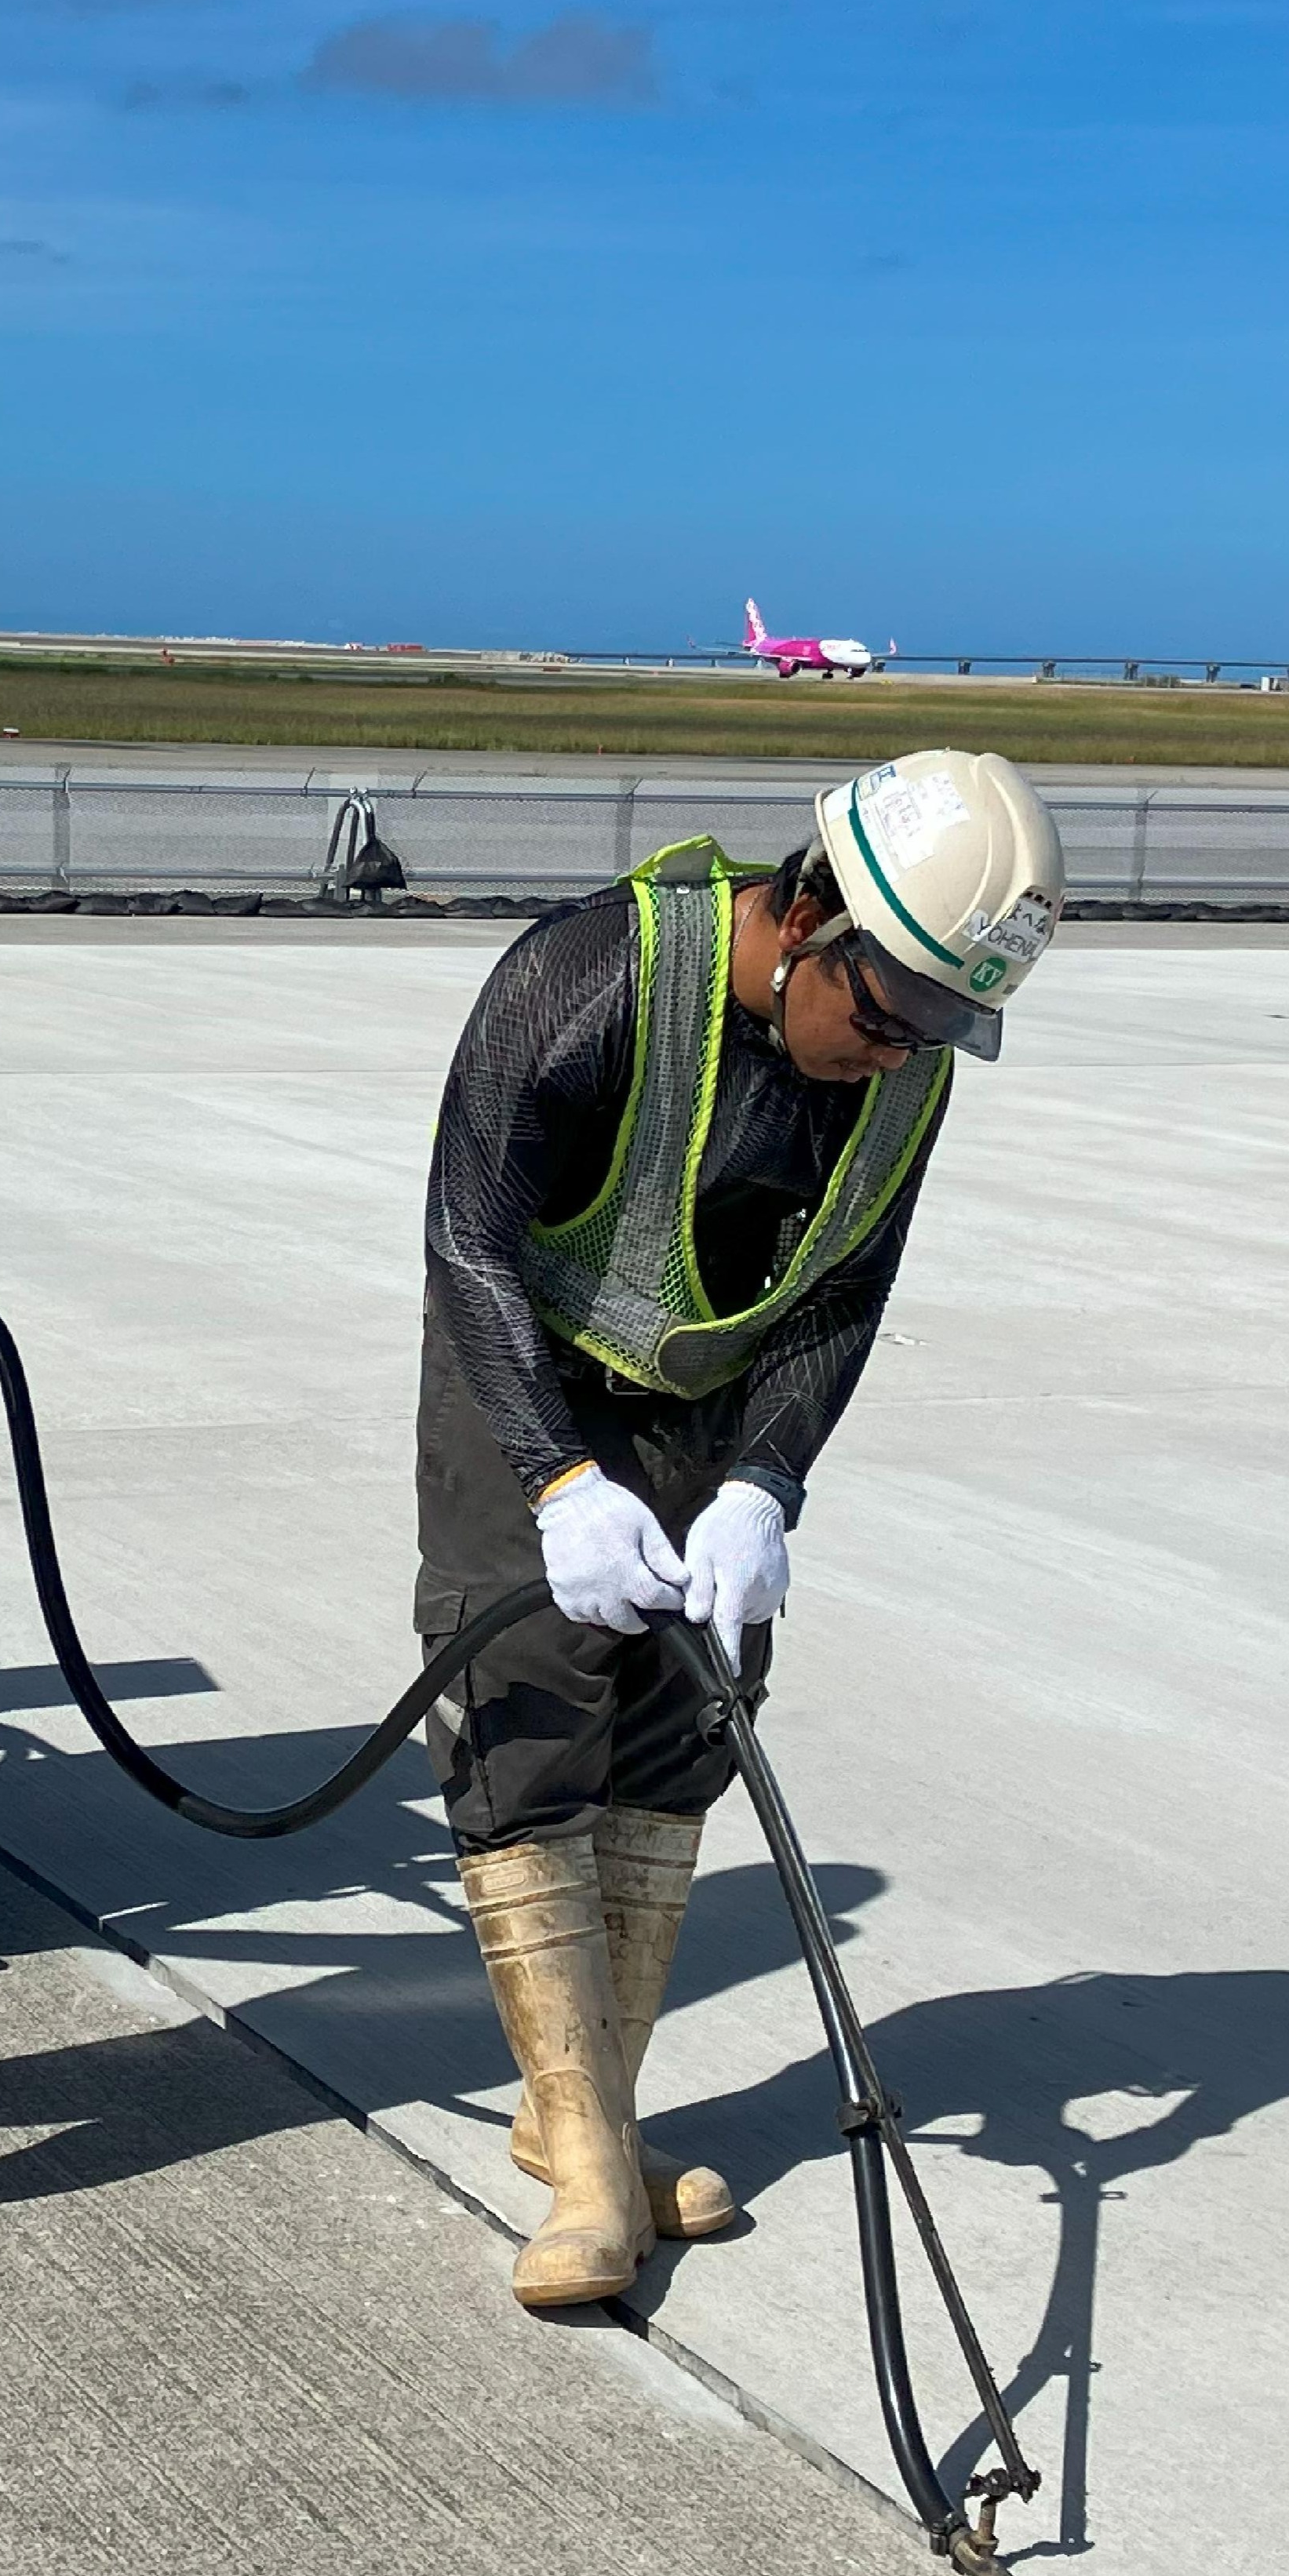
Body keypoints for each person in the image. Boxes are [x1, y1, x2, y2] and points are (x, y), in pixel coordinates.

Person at [416, 750, 1065, 2309]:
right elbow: (468, 1231)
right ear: (818, 911)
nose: (902, 1054)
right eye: (892, 1013)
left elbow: (841, 1287)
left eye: (936, 1029)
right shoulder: (590, 979)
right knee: (531, 1724)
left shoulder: (899, 1063)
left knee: (681, 1733)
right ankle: (583, 2170)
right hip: (528, 1371)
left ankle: (585, 2111)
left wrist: (768, 1482)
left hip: (711, 1404)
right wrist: (558, 1481)